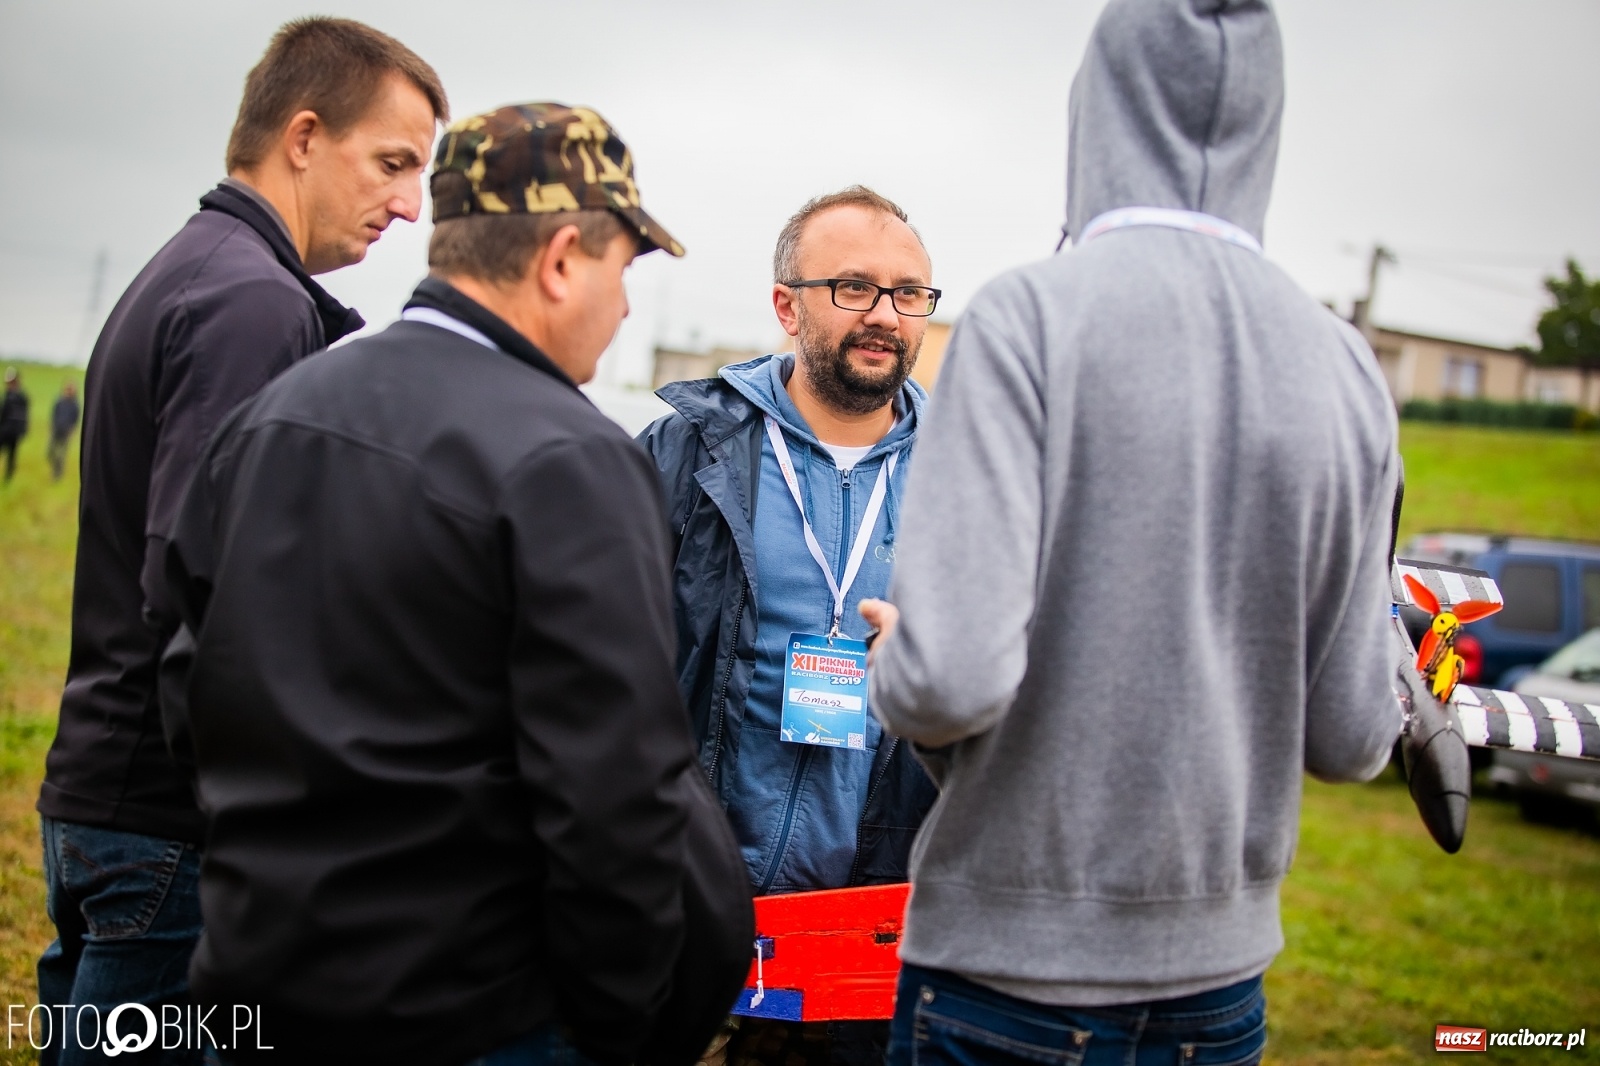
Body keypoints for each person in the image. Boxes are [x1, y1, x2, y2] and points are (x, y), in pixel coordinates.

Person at [862, 1, 1403, 1063]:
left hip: (1004, 984)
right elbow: (1353, 733)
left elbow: (949, 681)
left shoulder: (1027, 318)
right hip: (1220, 992)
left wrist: (898, 663)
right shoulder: (1344, 366)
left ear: (1095, 108)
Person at [160, 103, 752, 1066]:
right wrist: (619, 1020)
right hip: (478, 1013)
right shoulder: (572, 460)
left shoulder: (277, 414)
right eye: (624, 270)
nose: (628, 308)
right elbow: (615, 795)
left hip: (264, 981)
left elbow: (188, 689)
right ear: (562, 259)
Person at [35, 19, 445, 1064]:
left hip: (115, 800)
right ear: (303, 136)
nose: (408, 203)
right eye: (393, 162)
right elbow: (207, 582)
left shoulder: (200, 265)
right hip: (171, 831)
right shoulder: (250, 304)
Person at [639, 186, 940, 1066]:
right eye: (853, 287)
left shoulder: (970, 474)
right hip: (682, 906)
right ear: (786, 304)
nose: (885, 315)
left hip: (864, 928)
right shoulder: (687, 451)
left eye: (908, 293)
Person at [47, 381, 80, 481]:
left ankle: (57, 475)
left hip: (66, 432)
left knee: (61, 454)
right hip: (56, 429)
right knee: (50, 451)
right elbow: (54, 414)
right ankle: (55, 468)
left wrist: (72, 430)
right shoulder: (59, 401)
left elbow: (76, 418)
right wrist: (51, 426)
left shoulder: (75, 405)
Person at [0, 367, 28, 482]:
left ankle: (8, 477)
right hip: (7, 430)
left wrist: (22, 429)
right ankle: (8, 477)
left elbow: (24, 415)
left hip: (11, 431)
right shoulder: (10, 395)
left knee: (12, 455)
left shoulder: (20, 397)